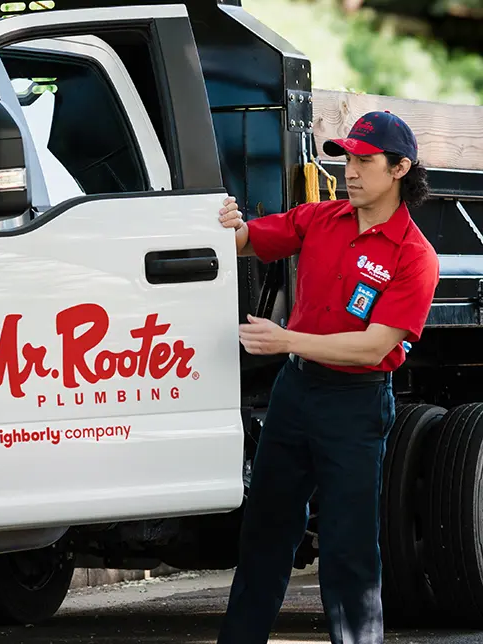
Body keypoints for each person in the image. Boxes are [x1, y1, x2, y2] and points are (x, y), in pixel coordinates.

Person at [215, 111, 439, 644]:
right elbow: (245, 240)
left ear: (400, 168)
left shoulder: (414, 256)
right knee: (265, 533)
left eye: (365, 160)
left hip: (355, 403)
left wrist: (287, 339)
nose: (350, 171)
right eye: (345, 158)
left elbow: (374, 347)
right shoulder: (319, 218)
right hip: (296, 394)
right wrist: (223, 220)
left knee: (348, 547)